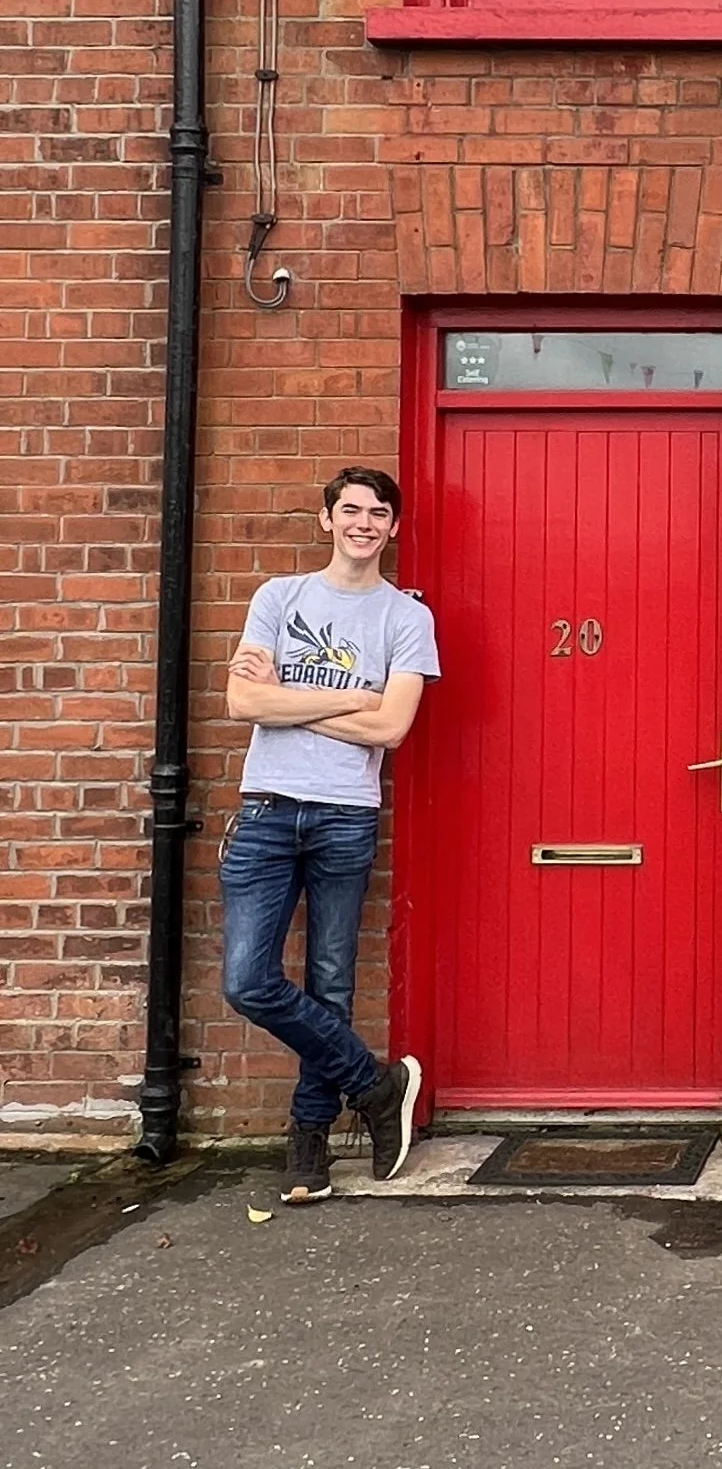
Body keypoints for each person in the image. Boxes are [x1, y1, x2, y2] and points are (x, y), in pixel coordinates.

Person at [220, 468, 438, 1206]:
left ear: (393, 528)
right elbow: (240, 699)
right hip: (268, 809)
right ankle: (375, 1085)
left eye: (378, 514)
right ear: (326, 519)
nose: (364, 523)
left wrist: (286, 703)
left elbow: (392, 727)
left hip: (346, 812)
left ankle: (309, 1139)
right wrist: (349, 695)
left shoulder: (405, 617)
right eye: (350, 510)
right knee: (247, 980)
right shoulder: (279, 598)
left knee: (331, 980)